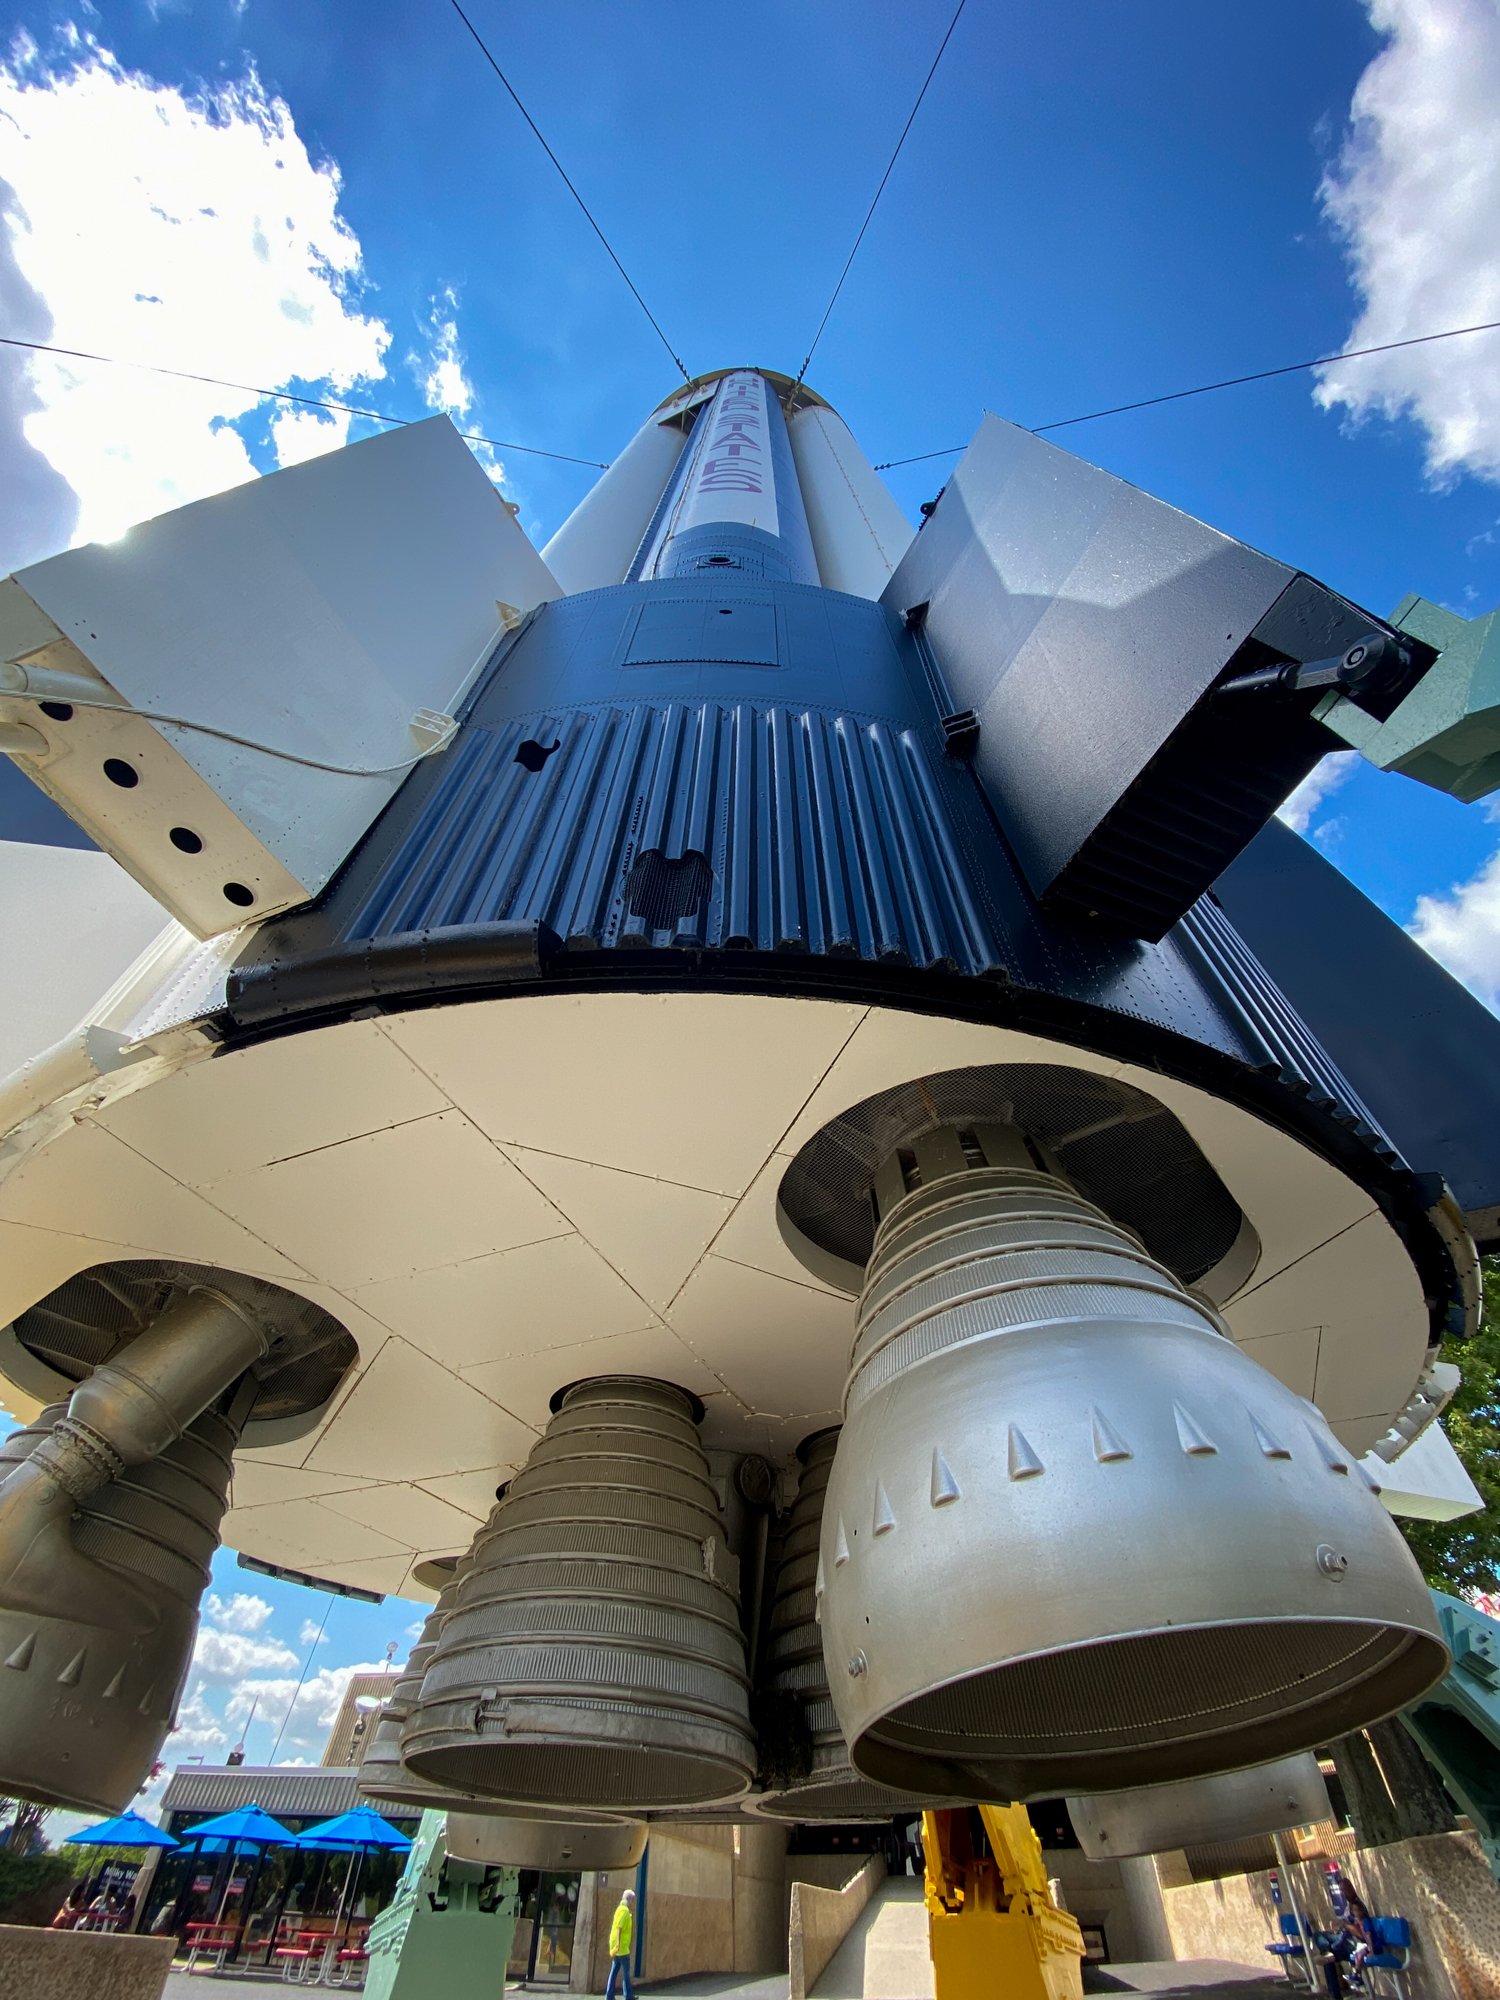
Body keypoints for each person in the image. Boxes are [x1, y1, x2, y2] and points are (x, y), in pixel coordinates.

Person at [1322, 1885, 1374, 1996]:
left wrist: (1345, 1926)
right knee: (1321, 1938)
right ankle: (1328, 1953)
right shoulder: (1348, 1907)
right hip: (1345, 1937)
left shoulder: (1359, 1907)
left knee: (1329, 1953)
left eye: (1344, 1889)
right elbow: (1344, 1924)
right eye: (1341, 1890)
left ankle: (1330, 1954)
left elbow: (1362, 1933)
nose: (1343, 1893)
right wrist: (1337, 1928)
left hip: (1354, 1941)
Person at [604, 1887, 636, 2000]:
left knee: (614, 1971)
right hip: (621, 1948)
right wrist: (617, 1945)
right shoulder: (624, 1911)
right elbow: (619, 1928)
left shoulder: (619, 1909)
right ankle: (628, 1996)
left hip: (617, 1947)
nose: (632, 1902)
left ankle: (609, 1995)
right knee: (626, 1973)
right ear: (630, 1899)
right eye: (632, 1900)